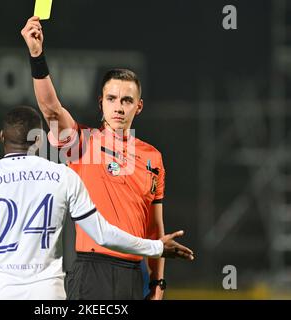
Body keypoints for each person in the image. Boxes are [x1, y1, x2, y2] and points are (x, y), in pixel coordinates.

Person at [0, 106, 193, 300]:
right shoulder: (63, 176)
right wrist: (156, 246)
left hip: (0, 291)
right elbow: (102, 234)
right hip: (48, 292)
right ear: (39, 139)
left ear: (1, 137)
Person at [21, 16, 189, 300]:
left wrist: (158, 284)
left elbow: (154, 228)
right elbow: (51, 111)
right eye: (111, 99)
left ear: (139, 106)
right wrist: (37, 56)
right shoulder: (82, 143)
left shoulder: (153, 157)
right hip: (90, 272)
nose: (119, 107)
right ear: (101, 102)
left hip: (136, 275)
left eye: (126, 100)